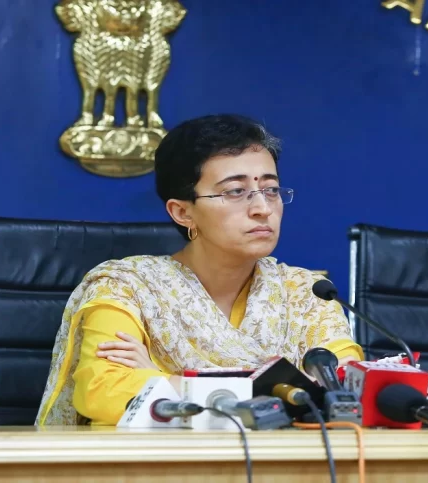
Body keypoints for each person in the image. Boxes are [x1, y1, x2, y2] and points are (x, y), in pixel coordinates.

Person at [36, 115, 363, 426]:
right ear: (182, 212)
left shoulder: (307, 292)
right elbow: (102, 392)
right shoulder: (125, 287)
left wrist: (167, 382)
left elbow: (347, 386)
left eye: (271, 189)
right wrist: (285, 391)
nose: (262, 208)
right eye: (235, 192)